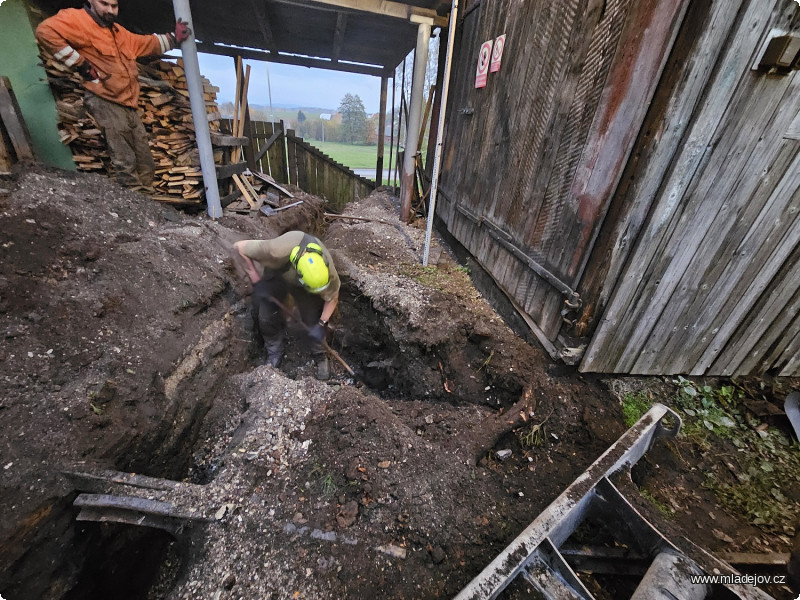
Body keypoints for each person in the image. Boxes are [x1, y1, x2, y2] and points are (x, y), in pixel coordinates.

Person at [36, 0, 192, 192]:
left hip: (129, 102)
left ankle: (147, 202)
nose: (111, 10)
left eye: (114, 6)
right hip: (105, 100)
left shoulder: (118, 32)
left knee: (145, 159)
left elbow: (147, 43)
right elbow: (45, 32)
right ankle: (133, 202)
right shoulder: (77, 20)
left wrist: (174, 38)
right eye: (105, 4)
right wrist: (79, 63)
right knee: (125, 158)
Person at [233, 231, 340, 379]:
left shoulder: (328, 273)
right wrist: (257, 281)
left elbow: (332, 298)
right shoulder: (274, 250)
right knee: (266, 317)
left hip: (303, 286)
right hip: (277, 275)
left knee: (312, 317)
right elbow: (239, 248)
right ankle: (274, 351)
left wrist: (321, 324)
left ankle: (320, 354)